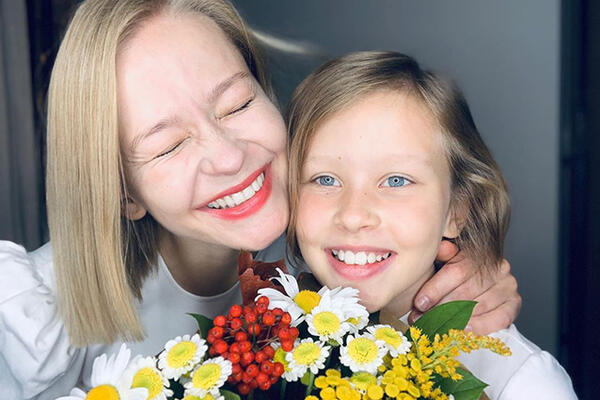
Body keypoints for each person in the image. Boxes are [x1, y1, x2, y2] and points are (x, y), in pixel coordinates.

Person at [0, 1, 520, 399]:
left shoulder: (328, 225)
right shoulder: (29, 323)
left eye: (238, 103)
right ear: (123, 193)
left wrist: (461, 270)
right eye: (169, 145)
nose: (230, 157)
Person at [286, 51, 576, 399]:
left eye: (396, 181)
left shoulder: (525, 384)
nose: (353, 215)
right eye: (325, 179)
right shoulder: (262, 344)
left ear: (457, 210)